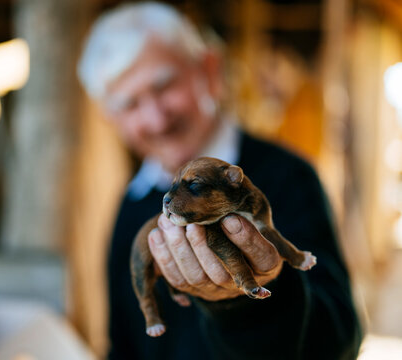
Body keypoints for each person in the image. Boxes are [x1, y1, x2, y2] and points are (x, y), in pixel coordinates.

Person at [77, 2, 362, 359]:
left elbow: (342, 340)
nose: (156, 118)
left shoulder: (288, 176)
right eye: (130, 103)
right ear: (111, 118)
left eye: (164, 86)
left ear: (209, 70)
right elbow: (124, 345)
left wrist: (249, 301)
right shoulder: (131, 205)